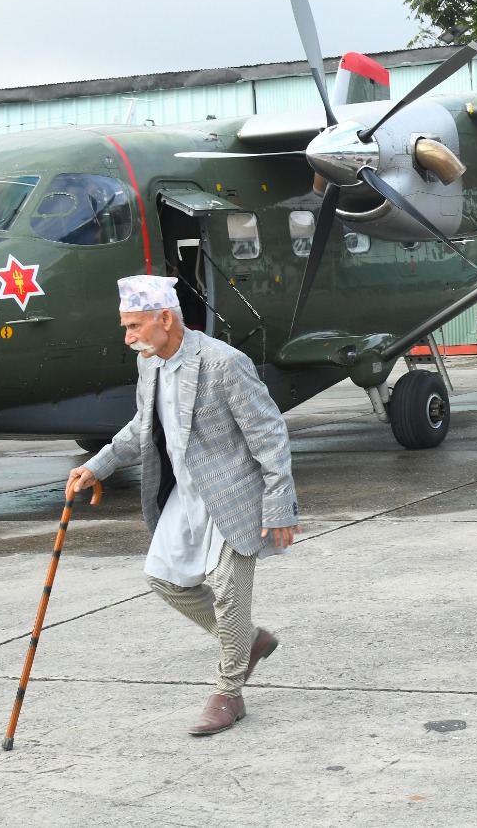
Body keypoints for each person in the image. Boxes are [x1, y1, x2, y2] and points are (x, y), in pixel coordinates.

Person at [67, 275, 299, 736]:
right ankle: (248, 642)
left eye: (134, 326)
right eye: (126, 326)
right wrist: (98, 466)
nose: (128, 337)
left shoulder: (223, 363)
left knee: (231, 594)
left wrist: (280, 506)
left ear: (165, 319)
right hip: (187, 494)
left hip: (236, 495)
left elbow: (269, 433)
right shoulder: (150, 363)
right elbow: (140, 425)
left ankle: (228, 693)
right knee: (163, 578)